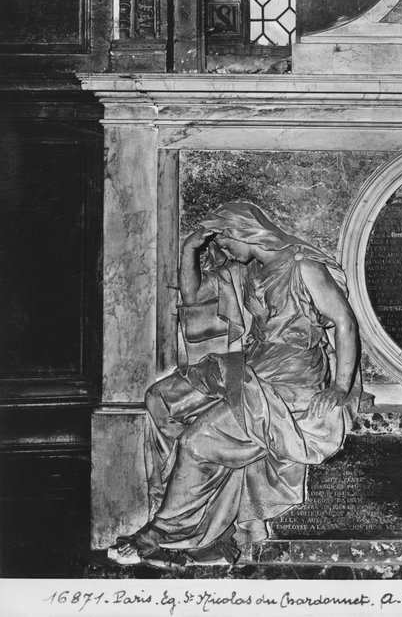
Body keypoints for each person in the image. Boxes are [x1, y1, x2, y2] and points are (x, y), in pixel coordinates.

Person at [107, 201, 360, 567]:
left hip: (289, 381)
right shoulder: (247, 271)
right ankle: (187, 504)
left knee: (197, 440)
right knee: (159, 399)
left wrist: (339, 386)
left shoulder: (303, 266)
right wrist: (188, 250)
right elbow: (193, 297)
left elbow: (345, 321)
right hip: (249, 368)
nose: (222, 250)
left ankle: (164, 533)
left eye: (224, 242)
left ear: (243, 231)